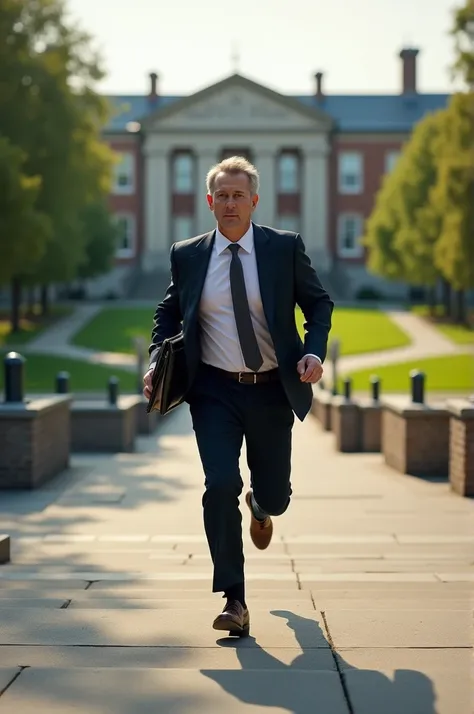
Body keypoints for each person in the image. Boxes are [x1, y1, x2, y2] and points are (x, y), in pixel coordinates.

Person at [143, 155, 333, 637]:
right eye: (221, 195)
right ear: (210, 202)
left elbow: (318, 302)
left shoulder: (282, 248)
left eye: (238, 195)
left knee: (276, 495)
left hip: (272, 390)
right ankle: (235, 599)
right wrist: (155, 361)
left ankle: (262, 506)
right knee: (219, 483)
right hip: (214, 392)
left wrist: (313, 352)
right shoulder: (187, 255)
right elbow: (168, 314)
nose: (230, 203)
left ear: (254, 200)